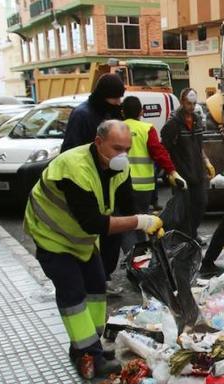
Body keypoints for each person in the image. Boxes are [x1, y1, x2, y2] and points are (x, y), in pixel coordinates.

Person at [24, 120, 164, 379]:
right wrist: (140, 221)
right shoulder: (74, 168)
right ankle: (90, 356)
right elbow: (95, 223)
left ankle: (88, 346)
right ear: (98, 142)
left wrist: (148, 223)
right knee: (73, 293)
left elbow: (126, 204)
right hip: (52, 234)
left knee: (97, 287)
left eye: (126, 148)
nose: (122, 155)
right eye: (116, 148)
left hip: (81, 240)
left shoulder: (119, 168)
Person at [61, 73, 127, 284]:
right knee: (93, 233)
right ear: (103, 95)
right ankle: (91, 277)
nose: (118, 102)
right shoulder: (82, 115)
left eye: (120, 98)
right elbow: (71, 153)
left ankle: (103, 276)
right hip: (88, 185)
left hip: (110, 185)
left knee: (112, 236)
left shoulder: (114, 114)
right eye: (114, 98)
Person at [120, 95, 186, 255]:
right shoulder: (147, 129)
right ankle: (142, 257)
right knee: (141, 223)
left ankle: (134, 257)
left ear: (122, 112)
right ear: (141, 112)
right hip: (144, 187)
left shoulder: (115, 128)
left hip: (121, 186)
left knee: (126, 223)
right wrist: (172, 172)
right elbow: (159, 153)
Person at [160, 88, 215, 241]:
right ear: (182, 102)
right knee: (183, 208)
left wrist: (206, 161)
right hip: (182, 173)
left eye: (194, 103)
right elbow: (164, 149)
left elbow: (199, 146)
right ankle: (179, 236)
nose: (191, 107)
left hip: (197, 171)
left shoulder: (197, 120)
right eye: (188, 103)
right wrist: (170, 172)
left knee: (201, 203)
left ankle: (191, 233)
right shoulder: (173, 124)